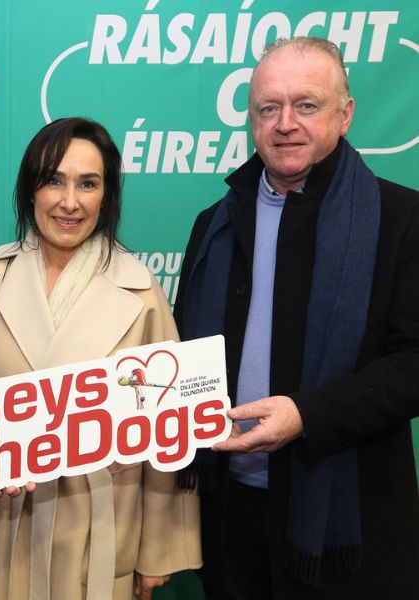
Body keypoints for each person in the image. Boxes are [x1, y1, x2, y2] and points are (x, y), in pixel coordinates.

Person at [173, 37, 419, 600]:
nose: (285, 123)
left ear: (345, 113)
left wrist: (305, 415)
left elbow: (413, 365)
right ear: (251, 118)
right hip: (228, 513)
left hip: (344, 520)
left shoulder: (402, 219)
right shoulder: (215, 221)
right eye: (268, 107)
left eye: (306, 105)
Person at [0, 117, 201, 600]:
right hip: (8, 519)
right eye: (53, 181)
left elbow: (169, 430)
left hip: (105, 529)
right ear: (29, 191)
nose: (70, 201)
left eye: (88, 183)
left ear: (106, 196)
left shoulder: (141, 290)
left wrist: (158, 549)